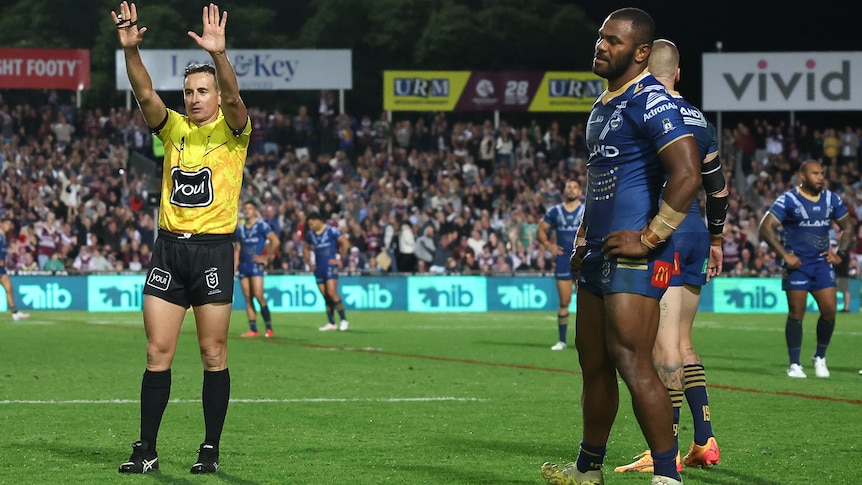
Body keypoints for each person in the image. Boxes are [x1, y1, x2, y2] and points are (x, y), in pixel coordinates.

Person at [541, 8, 701, 485]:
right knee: (592, 362)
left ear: (641, 52)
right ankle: (589, 468)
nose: (601, 46)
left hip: (636, 256)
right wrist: (582, 237)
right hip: (598, 251)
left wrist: (651, 236)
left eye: (612, 40)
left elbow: (688, 173)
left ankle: (667, 476)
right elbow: (600, 183)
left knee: (633, 361)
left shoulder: (653, 100)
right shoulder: (604, 104)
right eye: (600, 38)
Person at [113, 2, 251, 475]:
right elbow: (145, 91)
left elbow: (235, 100)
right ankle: (146, 448)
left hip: (213, 250)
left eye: (202, 91)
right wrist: (131, 51)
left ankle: (209, 449)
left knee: (213, 353)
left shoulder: (234, 131)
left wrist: (219, 56)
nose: (194, 98)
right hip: (170, 248)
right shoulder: (172, 129)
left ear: (214, 94)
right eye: (189, 91)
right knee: (157, 352)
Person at [614, 39, 727, 475]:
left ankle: (667, 450)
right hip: (698, 230)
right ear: (678, 73)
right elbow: (717, 190)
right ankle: (706, 439)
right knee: (684, 343)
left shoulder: (641, 108)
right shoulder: (699, 120)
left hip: (664, 231)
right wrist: (716, 240)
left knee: (663, 349)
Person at [758, 159, 855, 379]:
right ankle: (794, 364)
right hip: (797, 265)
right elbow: (765, 227)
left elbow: (848, 227)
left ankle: (820, 357)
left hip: (821, 264)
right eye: (815, 173)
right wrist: (785, 255)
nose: (820, 177)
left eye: (822, 173)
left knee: (830, 311)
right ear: (802, 176)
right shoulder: (789, 200)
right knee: (797, 313)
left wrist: (839, 254)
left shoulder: (831, 199)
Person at [536, 179, 584, 351]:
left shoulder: (586, 210)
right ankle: (562, 341)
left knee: (586, 303)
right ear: (564, 191)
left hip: (584, 259)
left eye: (574, 187)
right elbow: (540, 231)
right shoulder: (555, 211)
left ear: (579, 191)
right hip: (563, 260)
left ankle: (586, 340)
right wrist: (549, 246)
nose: (571, 190)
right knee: (565, 300)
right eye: (568, 187)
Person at [235, 201, 279, 338]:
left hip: (255, 265)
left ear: (255, 211)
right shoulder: (240, 229)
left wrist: (265, 258)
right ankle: (253, 329)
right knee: (248, 298)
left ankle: (269, 328)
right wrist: (234, 266)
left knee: (259, 296)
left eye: (250, 208)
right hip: (243, 265)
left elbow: (275, 241)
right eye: (245, 209)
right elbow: (238, 249)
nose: (247, 211)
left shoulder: (261, 226)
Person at [303, 212, 351, 331]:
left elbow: (345, 243)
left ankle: (344, 320)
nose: (311, 227)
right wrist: (309, 262)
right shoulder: (310, 235)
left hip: (330, 266)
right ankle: (331, 322)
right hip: (318, 268)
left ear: (318, 220)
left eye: (312, 224)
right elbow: (305, 247)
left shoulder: (331, 231)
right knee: (325, 296)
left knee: (331, 293)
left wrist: (341, 259)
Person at [0, 219, 30, 321]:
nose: (8, 226)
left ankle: (15, 313)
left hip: (1, 268)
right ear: (1, 224)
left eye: (10, 224)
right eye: (6, 223)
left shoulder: (4, 238)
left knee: (9, 288)